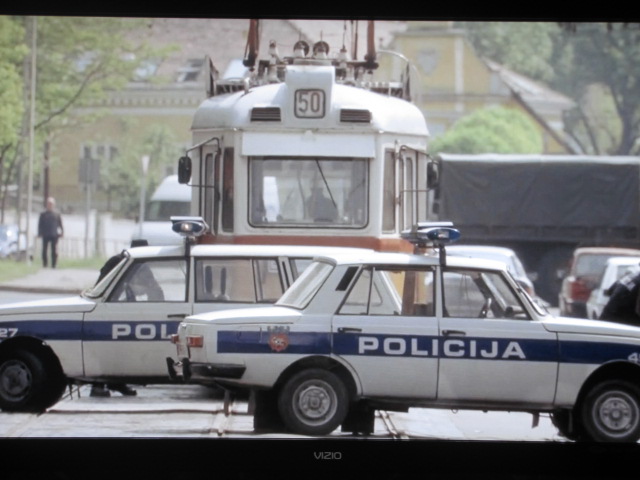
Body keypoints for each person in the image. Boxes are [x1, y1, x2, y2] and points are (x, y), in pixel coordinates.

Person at [38, 197, 63, 268]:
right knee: (44, 250)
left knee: (54, 250)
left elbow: (60, 224)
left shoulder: (57, 214)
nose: (50, 205)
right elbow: (40, 224)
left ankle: (54, 264)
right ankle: (45, 264)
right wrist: (40, 233)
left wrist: (62, 232)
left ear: (54, 205)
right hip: (45, 234)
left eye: (51, 204)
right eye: (48, 204)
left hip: (54, 234)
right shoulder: (43, 214)